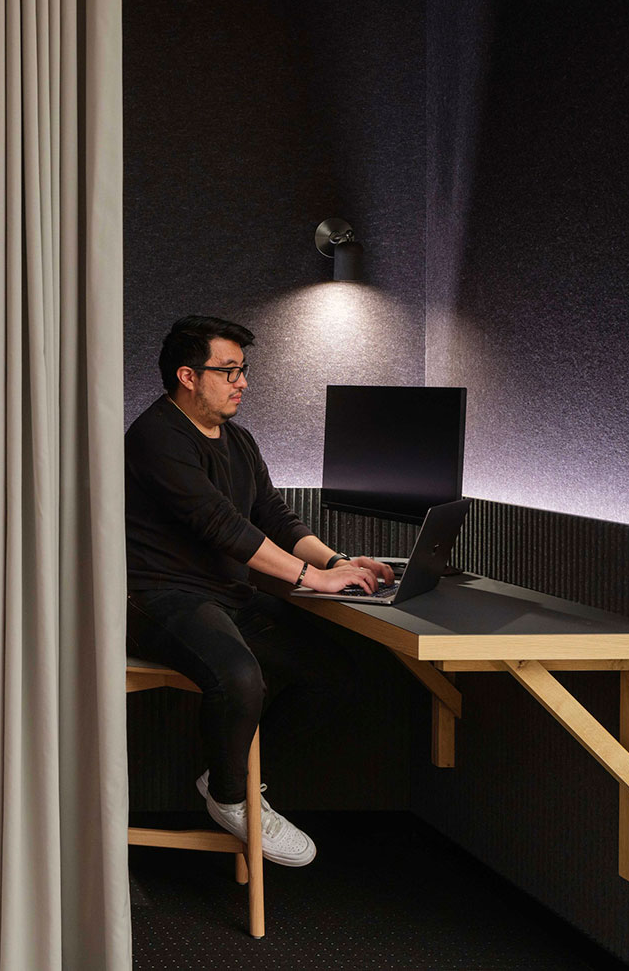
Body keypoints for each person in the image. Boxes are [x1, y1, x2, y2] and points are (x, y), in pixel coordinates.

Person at [125, 315, 388, 867]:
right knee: (241, 676)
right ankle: (230, 799)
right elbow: (222, 525)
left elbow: (275, 517)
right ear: (188, 376)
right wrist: (310, 579)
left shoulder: (240, 441)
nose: (243, 381)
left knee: (336, 675)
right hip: (158, 597)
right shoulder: (156, 437)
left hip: (226, 595)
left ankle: (235, 776)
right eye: (229, 370)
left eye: (244, 370)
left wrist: (338, 562)